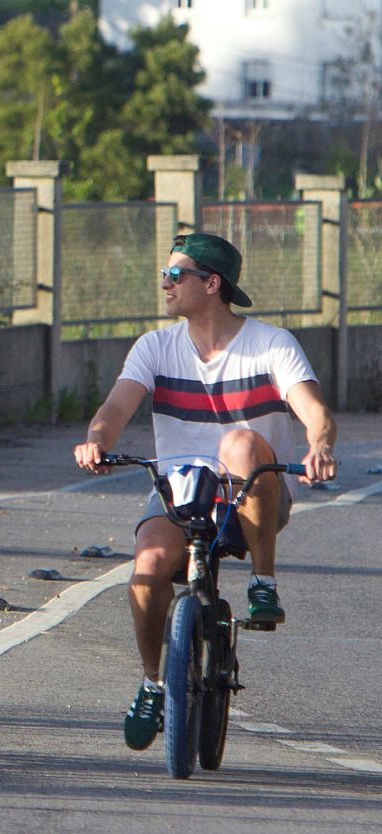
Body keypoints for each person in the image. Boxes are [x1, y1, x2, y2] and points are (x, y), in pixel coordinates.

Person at [72, 232, 338, 751]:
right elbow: (115, 409)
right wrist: (96, 441)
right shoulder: (155, 346)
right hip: (181, 489)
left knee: (239, 442)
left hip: (252, 491)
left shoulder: (271, 344)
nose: (165, 284)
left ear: (212, 284)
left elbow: (315, 412)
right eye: (165, 274)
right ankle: (153, 683)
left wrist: (319, 447)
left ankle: (263, 580)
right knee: (147, 570)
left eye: (176, 274)